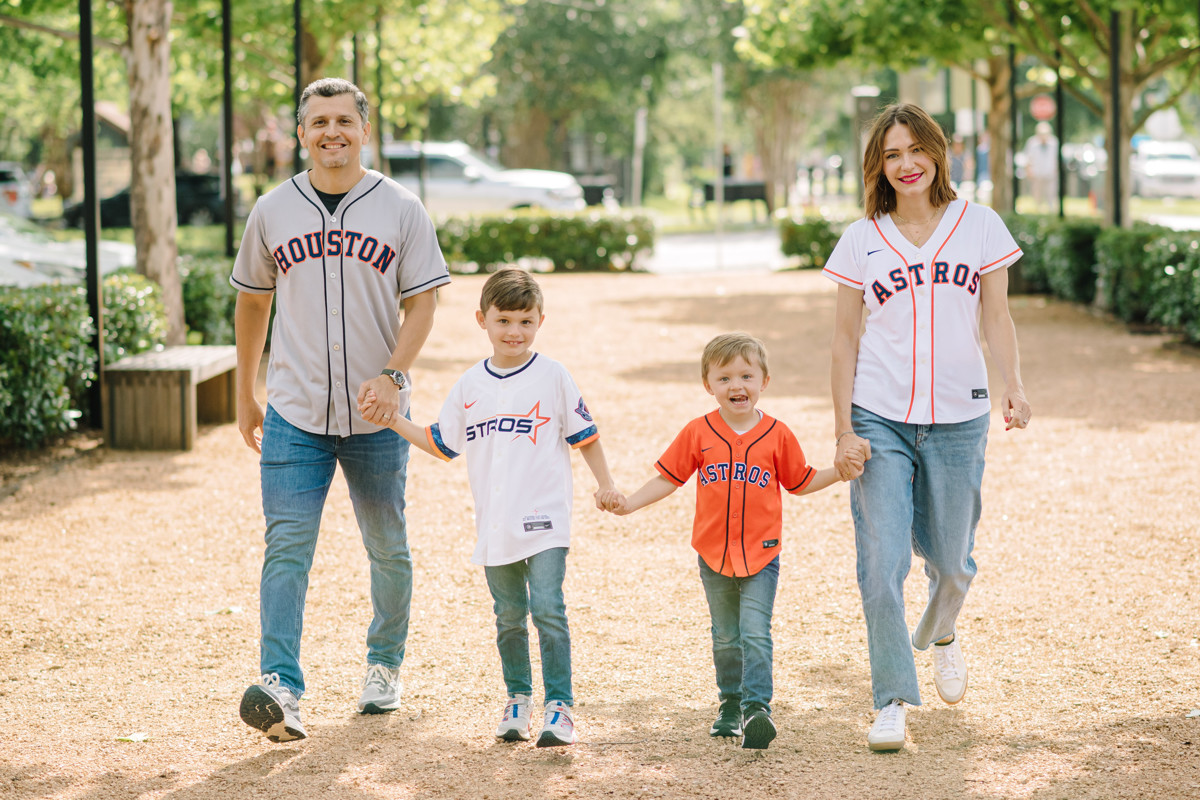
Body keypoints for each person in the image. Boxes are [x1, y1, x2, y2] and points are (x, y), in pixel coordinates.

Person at [230, 77, 451, 743]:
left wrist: (394, 373)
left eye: (343, 121)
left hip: (377, 416)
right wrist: (246, 389)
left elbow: (424, 303)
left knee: (387, 547)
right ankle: (281, 687)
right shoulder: (272, 210)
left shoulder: (401, 207)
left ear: (363, 130)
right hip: (295, 411)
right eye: (318, 122)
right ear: (300, 134)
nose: (332, 133)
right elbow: (251, 302)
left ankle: (383, 665)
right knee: (287, 548)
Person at [824, 103, 1031, 752]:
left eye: (916, 149)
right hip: (878, 417)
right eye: (891, 154)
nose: (906, 164)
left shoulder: (980, 225)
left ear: (938, 153)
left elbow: (996, 317)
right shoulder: (862, 239)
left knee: (952, 563)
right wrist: (841, 430)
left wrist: (1014, 386)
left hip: (959, 415)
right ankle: (890, 699)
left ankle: (942, 628)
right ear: (876, 166)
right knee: (880, 563)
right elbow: (842, 341)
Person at [360, 267, 617, 748]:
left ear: (541, 320)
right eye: (504, 321)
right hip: (494, 526)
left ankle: (559, 707)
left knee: (548, 609)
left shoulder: (553, 376)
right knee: (508, 616)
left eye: (525, 321)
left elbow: (586, 437)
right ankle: (517, 701)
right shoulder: (470, 385)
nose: (514, 332)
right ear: (482, 320)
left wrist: (606, 484)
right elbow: (441, 443)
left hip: (546, 521)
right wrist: (393, 419)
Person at [600, 333, 865, 750]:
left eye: (746, 375)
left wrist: (842, 471)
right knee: (725, 634)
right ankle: (729, 704)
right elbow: (668, 478)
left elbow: (802, 481)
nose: (736, 386)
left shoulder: (777, 435)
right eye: (724, 378)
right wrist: (629, 504)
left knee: (755, 632)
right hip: (713, 554)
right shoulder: (697, 432)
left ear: (765, 381)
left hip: (762, 554)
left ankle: (757, 709)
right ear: (708, 384)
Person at [1023, 121, 1059, 211]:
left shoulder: (1054, 142)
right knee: (1037, 193)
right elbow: (1028, 158)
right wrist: (1029, 170)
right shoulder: (1032, 142)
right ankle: (1038, 208)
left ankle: (1051, 208)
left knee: (1051, 192)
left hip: (1050, 173)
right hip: (1037, 173)